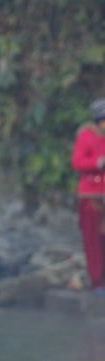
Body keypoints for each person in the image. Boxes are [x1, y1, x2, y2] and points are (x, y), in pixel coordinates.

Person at [72, 98, 105, 295]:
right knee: (93, 239)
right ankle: (98, 282)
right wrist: (100, 162)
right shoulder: (87, 135)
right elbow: (77, 162)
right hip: (91, 196)